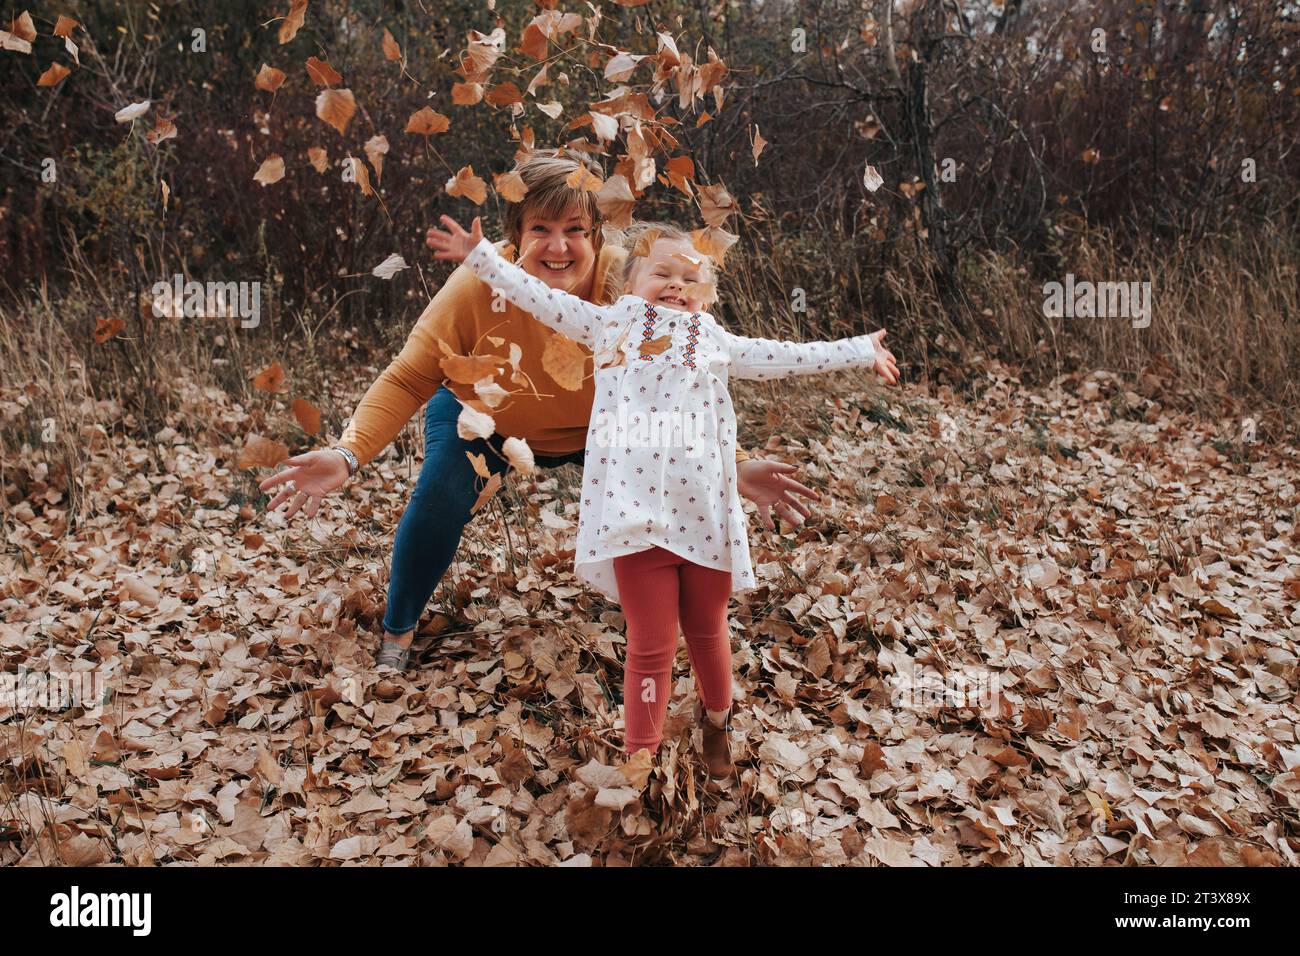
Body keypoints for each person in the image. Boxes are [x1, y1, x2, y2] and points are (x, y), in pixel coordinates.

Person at [258, 150, 826, 673]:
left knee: (663, 488)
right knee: (438, 498)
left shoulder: (630, 284)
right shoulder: (477, 287)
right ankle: (399, 627)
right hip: (487, 418)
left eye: (575, 231)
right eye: (541, 231)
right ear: (512, 238)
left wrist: (734, 464)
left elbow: (687, 380)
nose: (559, 248)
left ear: (598, 234)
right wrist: (348, 451)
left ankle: (650, 610)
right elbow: (409, 375)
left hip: (601, 427)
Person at [425, 212, 900, 777]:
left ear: (705, 293)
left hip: (704, 515)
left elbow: (788, 355)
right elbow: (537, 298)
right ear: (629, 284)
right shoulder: (611, 326)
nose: (676, 283)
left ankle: (717, 722)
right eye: (661, 272)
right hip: (635, 516)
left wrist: (858, 349)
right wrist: (481, 258)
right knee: (650, 645)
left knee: (707, 631)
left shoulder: (713, 339)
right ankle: (640, 761)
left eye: (689, 276)